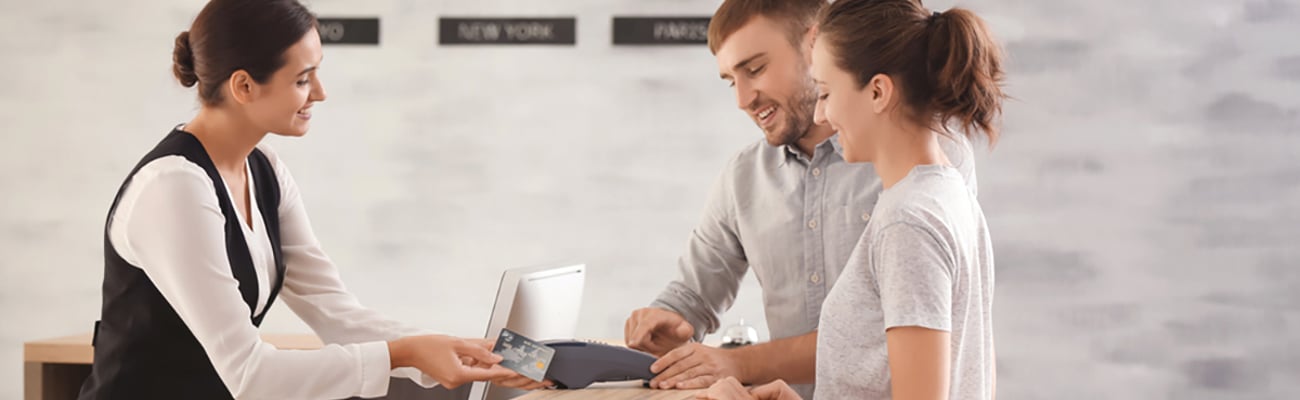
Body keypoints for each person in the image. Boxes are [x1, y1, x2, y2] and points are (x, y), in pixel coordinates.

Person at [76, 0, 543, 398]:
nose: (320, 92)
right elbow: (251, 375)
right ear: (243, 86)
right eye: (304, 78)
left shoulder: (265, 170)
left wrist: (460, 349)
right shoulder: (174, 186)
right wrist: (404, 353)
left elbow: (337, 313)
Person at [623, 0, 976, 397]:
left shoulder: (919, 182)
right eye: (730, 80)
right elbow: (691, 292)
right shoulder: (743, 177)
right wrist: (665, 321)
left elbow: (910, 333)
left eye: (755, 69)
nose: (742, 99)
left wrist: (738, 363)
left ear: (813, 45)